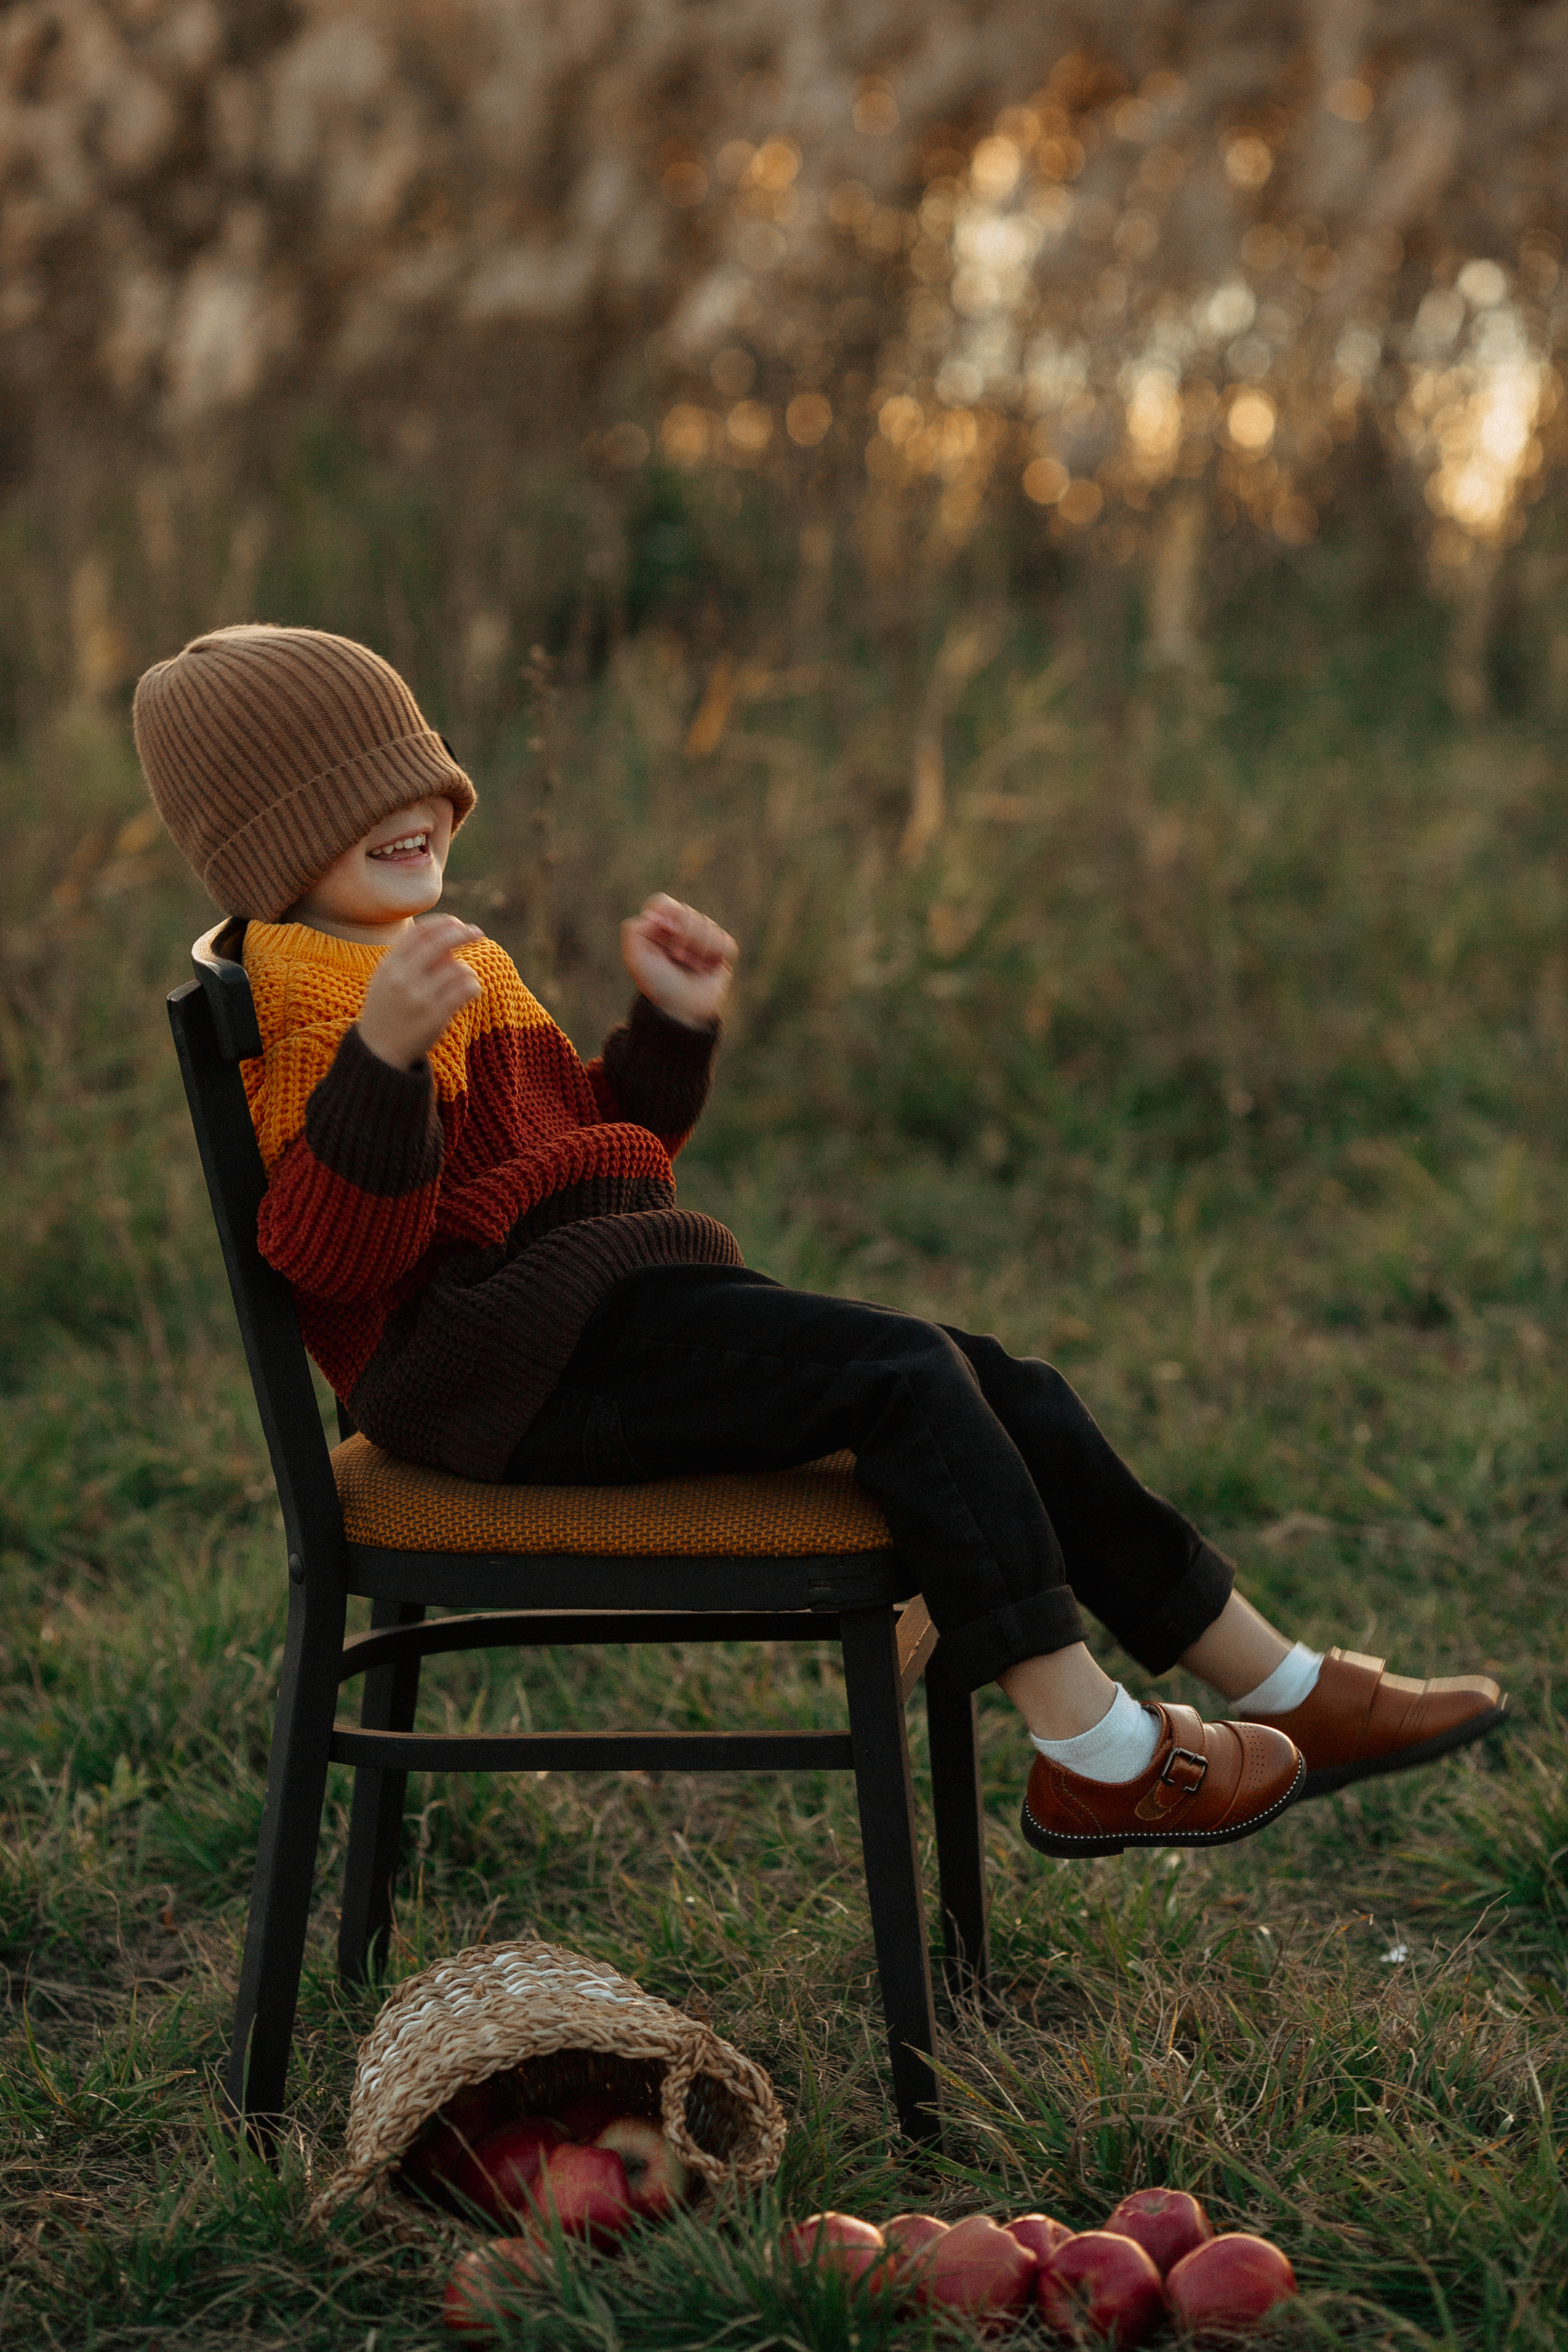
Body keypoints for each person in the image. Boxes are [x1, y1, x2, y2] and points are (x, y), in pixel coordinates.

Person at [134, 624, 1507, 1858]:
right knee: (903, 1375)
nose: (415, 810)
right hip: (500, 1375)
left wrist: (668, 1028)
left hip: (596, 1315)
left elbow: (603, 1150)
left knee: (998, 1382)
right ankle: (1088, 1751)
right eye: (358, 798)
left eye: (422, 778)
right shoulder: (319, 995)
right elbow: (328, 1253)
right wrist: (379, 1068)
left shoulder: (440, 957)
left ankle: (1279, 1685)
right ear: (270, 837)